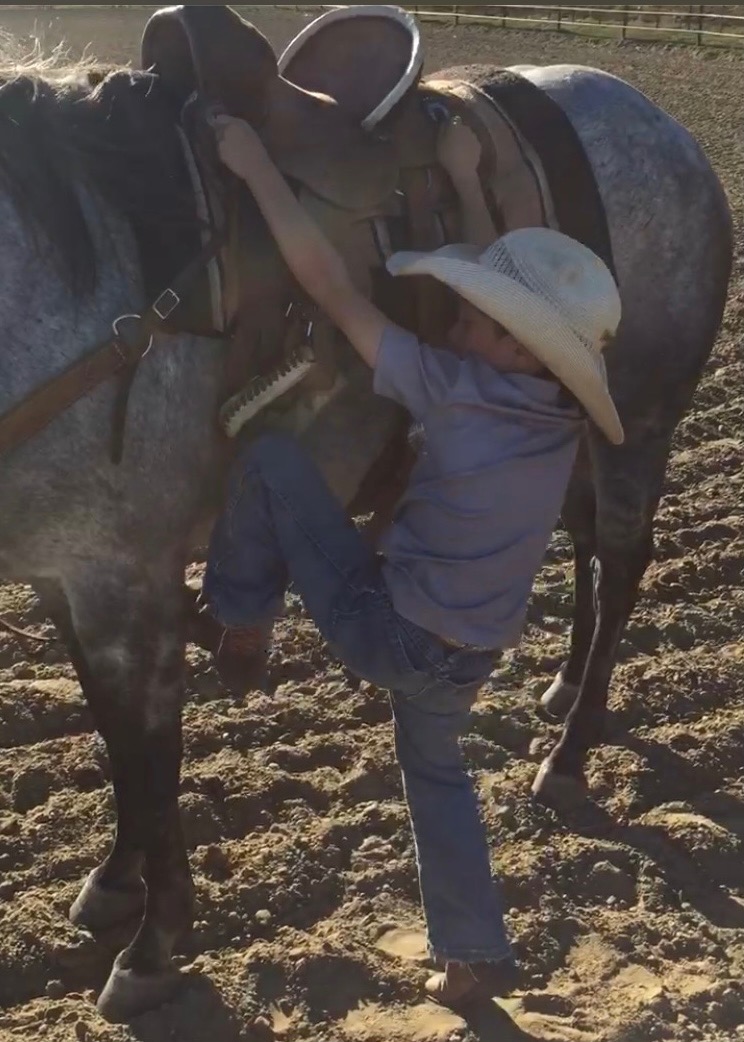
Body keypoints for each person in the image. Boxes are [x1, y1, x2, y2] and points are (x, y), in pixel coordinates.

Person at [192, 111, 624, 1007]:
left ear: (510, 346)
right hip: (472, 652)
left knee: (270, 463)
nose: (454, 322)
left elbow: (329, 288)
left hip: (389, 630)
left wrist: (257, 167)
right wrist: (466, 182)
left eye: (471, 318)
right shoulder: (556, 416)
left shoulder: (453, 386)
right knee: (436, 774)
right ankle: (472, 955)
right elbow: (513, 316)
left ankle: (238, 615)